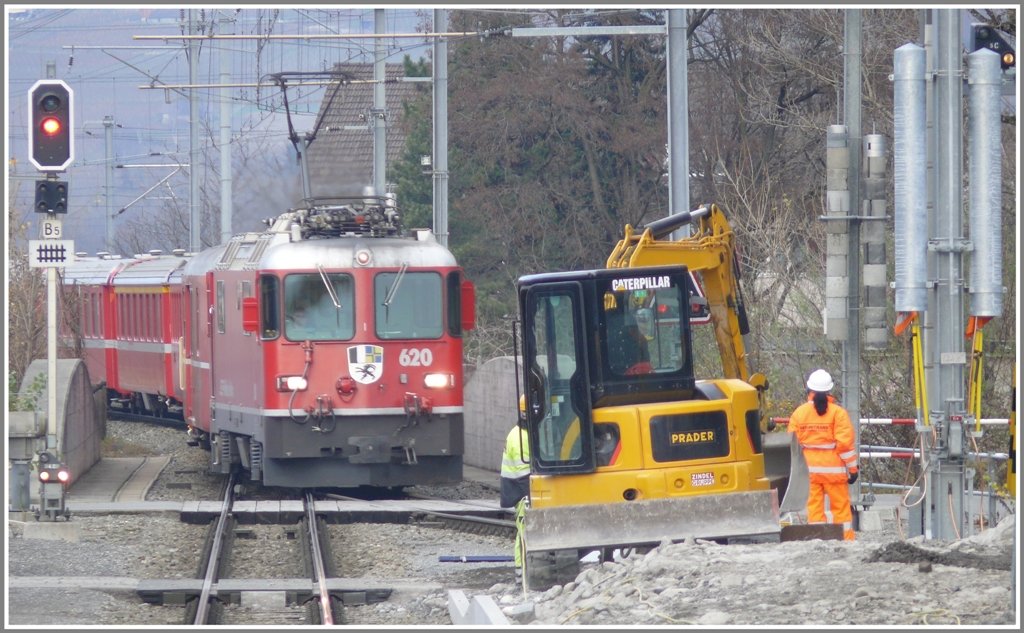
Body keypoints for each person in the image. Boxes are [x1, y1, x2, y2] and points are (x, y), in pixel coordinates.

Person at [788, 369, 859, 540]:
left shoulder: (799, 413)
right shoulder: (838, 413)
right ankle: (846, 540)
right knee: (841, 509)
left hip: (810, 472)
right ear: (829, 391)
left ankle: (817, 541)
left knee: (814, 510)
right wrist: (853, 469)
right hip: (834, 472)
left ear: (809, 390)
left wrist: (795, 472)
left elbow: (792, 444)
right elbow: (845, 445)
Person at [501, 396, 531, 575]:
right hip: (520, 492)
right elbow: (522, 472)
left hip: (520, 489)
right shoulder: (520, 437)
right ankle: (521, 571)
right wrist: (530, 494)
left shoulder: (522, 433)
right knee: (525, 531)